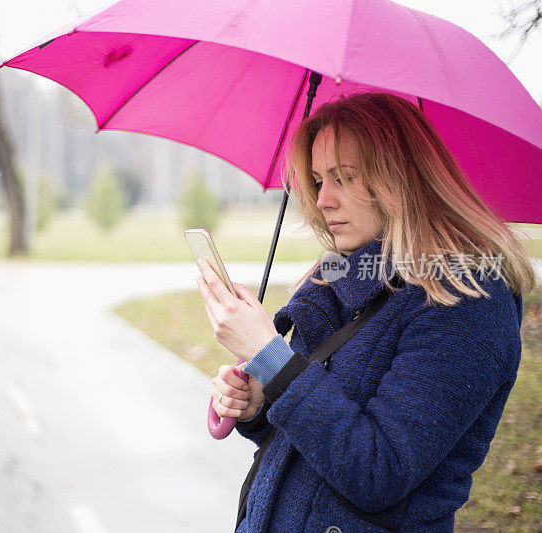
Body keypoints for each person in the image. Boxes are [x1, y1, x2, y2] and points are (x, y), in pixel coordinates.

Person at [196, 91, 537, 532]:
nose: (322, 200)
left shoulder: (467, 301)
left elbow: (378, 470)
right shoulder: (342, 276)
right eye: (319, 180)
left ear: (402, 178)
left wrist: (269, 354)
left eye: (344, 177)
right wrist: (260, 405)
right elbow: (316, 438)